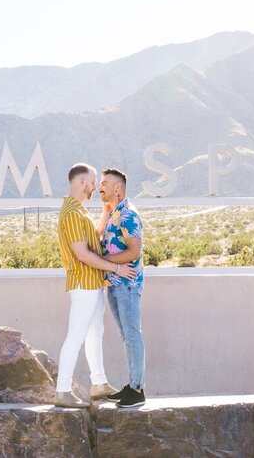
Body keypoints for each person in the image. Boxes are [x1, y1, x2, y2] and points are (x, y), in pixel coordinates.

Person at [54, 163, 137, 408]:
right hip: (84, 282)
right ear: (82, 183)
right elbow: (82, 253)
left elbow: (96, 237)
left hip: (93, 281)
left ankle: (99, 384)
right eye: (92, 182)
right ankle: (62, 390)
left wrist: (104, 212)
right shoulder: (71, 213)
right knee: (76, 336)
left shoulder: (80, 212)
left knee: (94, 333)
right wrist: (117, 268)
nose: (95, 187)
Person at [97, 167, 146, 408]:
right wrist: (106, 212)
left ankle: (137, 389)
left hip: (127, 284)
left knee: (132, 335)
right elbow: (99, 238)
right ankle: (132, 384)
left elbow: (133, 251)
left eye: (104, 182)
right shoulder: (114, 213)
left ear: (118, 187)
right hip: (115, 284)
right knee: (127, 336)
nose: (99, 187)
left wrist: (104, 262)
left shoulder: (128, 214)